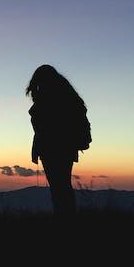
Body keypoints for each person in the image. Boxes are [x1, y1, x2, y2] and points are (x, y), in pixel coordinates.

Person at [26, 64, 91, 217]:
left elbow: (44, 125)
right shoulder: (67, 96)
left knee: (59, 188)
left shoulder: (48, 99)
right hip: (66, 148)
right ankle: (66, 216)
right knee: (62, 186)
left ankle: (64, 218)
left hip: (52, 149)